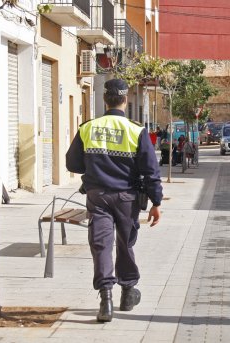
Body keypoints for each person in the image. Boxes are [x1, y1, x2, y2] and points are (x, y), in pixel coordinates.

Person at [66, 79, 163, 323]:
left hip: (97, 196)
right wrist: (156, 202)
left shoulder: (88, 128)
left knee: (101, 245)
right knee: (125, 244)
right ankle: (128, 292)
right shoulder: (136, 130)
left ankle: (105, 299)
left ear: (104, 99)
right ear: (125, 100)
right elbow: (151, 171)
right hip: (126, 198)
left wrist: (95, 166)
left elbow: (72, 163)